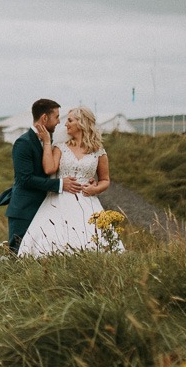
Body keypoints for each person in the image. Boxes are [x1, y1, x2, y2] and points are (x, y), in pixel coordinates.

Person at [17, 106, 124, 256]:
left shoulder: (98, 150)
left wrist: (95, 189)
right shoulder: (61, 147)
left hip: (88, 202)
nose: (65, 124)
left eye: (70, 120)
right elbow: (49, 169)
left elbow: (105, 180)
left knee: (93, 243)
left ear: (82, 123)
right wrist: (47, 142)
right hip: (59, 201)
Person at [3, 99, 84, 254]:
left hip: (46, 209)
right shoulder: (23, 143)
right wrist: (60, 184)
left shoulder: (51, 140)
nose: (59, 122)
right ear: (44, 118)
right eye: (57, 117)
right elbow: (25, 179)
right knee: (18, 255)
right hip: (24, 210)